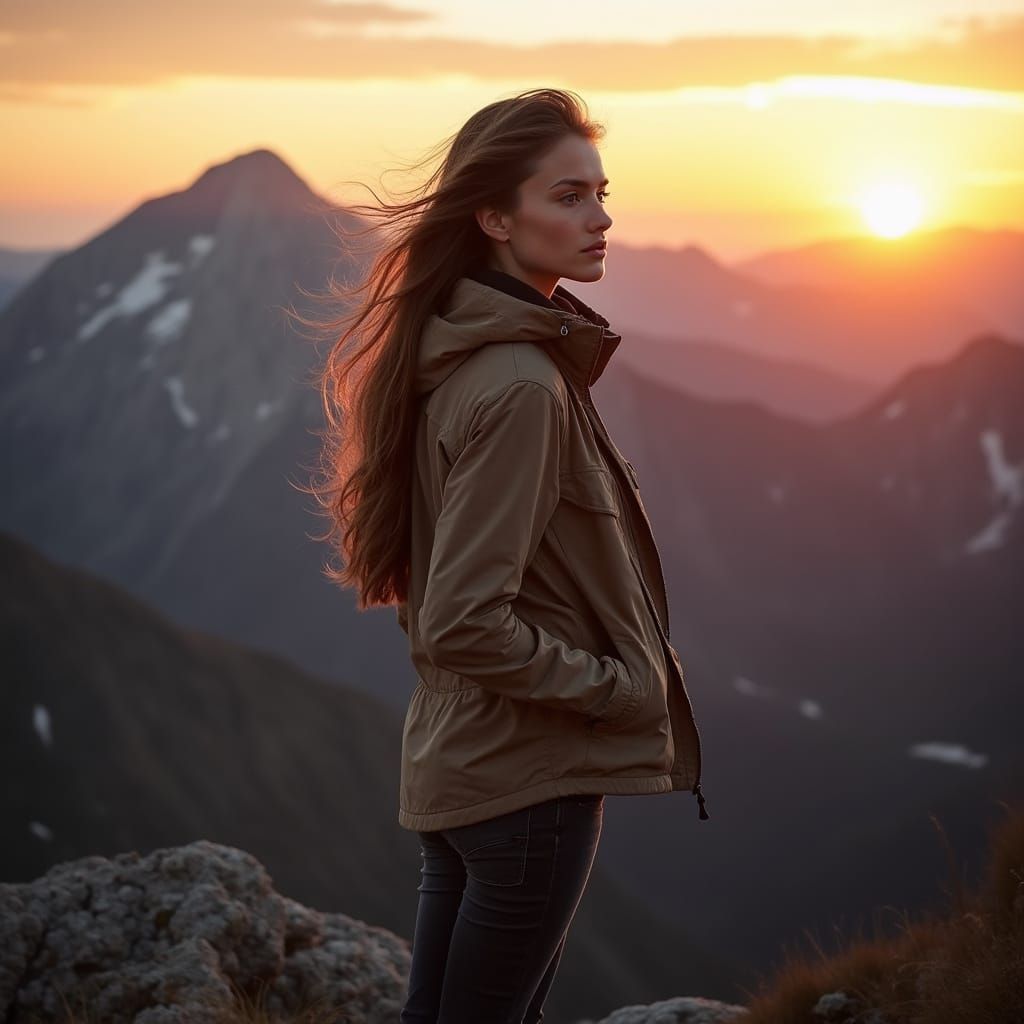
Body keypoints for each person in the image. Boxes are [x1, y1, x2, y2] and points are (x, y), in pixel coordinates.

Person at [292, 87, 708, 1024]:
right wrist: (617, 688)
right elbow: (461, 621)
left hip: (464, 768)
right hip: (528, 783)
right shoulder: (521, 383)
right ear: (493, 216)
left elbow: (436, 596)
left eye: (603, 192)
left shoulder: (458, 354)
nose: (600, 218)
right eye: (567, 196)